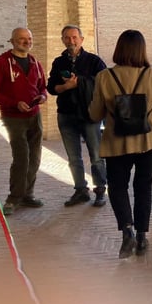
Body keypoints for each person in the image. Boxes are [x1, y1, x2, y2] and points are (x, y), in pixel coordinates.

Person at [88, 30, 152, 258]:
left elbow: (95, 114)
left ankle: (127, 231)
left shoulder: (105, 77)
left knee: (117, 186)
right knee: (143, 186)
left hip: (117, 140)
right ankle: (142, 236)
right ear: (142, 50)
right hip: (149, 138)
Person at [0, 27, 47, 216]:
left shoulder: (35, 62)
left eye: (29, 38)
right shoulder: (1, 63)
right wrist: (14, 103)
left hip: (34, 116)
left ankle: (27, 194)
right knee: (22, 158)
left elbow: (42, 87)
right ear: (12, 41)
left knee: (35, 158)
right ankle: (13, 199)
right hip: (14, 117)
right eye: (21, 39)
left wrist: (43, 97)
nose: (26, 41)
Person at [47, 25, 108, 207]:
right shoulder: (59, 63)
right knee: (73, 157)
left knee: (96, 155)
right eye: (67, 38)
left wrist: (79, 82)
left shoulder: (94, 61)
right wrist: (65, 87)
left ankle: (100, 189)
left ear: (81, 39)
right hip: (66, 115)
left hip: (89, 115)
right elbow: (51, 87)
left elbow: (103, 82)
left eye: (74, 37)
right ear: (62, 40)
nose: (71, 41)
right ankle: (80, 190)